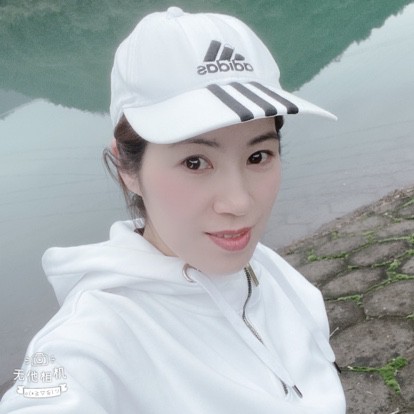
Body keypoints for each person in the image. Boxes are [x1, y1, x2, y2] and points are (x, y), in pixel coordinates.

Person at [0, 7, 346, 413]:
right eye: (195, 162)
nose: (239, 203)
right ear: (127, 168)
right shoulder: (93, 341)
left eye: (258, 156)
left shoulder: (272, 273)